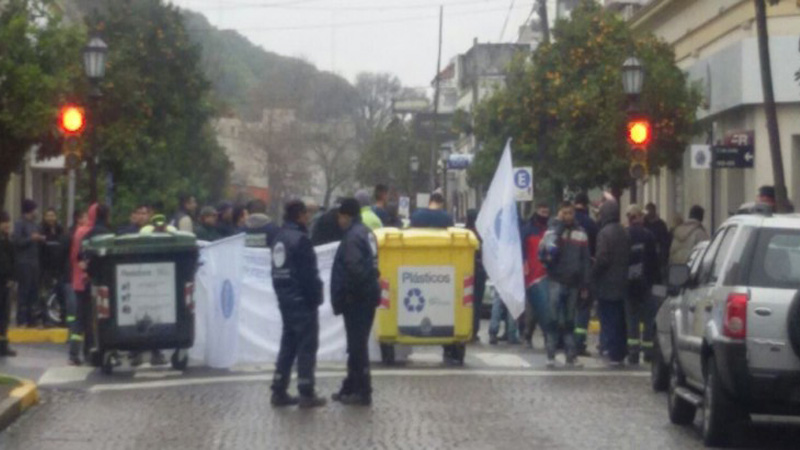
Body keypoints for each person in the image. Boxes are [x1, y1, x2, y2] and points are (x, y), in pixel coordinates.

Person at [270, 200, 326, 408]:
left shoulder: (279, 238)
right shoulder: (301, 240)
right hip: (302, 300)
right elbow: (308, 275)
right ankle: (306, 391)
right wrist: (315, 297)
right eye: (307, 214)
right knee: (306, 346)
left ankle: (278, 388)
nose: (309, 218)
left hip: (285, 298)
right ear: (300, 215)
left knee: (288, 345)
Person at [331, 198, 380, 406]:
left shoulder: (352, 237)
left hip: (358, 298)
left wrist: (349, 294)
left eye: (340, 216)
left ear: (346, 216)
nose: (338, 221)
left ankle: (362, 389)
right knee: (356, 343)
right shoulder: (366, 232)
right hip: (368, 295)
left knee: (357, 345)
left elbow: (354, 269)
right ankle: (351, 385)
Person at [538, 202, 590, 368]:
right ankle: (551, 355)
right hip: (556, 280)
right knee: (553, 320)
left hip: (573, 282)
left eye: (570, 213)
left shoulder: (581, 234)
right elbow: (544, 254)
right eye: (564, 213)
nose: (568, 216)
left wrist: (584, 284)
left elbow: (585, 261)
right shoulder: (552, 232)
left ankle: (570, 356)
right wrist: (558, 230)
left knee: (569, 321)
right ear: (560, 214)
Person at [593, 199, 630, 367]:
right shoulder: (624, 231)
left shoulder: (604, 233)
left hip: (607, 284)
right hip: (623, 282)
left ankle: (613, 351)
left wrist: (594, 272)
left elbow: (602, 258)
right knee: (620, 320)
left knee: (609, 319)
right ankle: (621, 351)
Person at [625, 205, 660, 365]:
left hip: (629, 284)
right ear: (639, 217)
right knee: (648, 318)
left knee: (632, 320)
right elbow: (655, 261)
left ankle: (633, 353)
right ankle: (647, 352)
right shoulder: (649, 235)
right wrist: (656, 281)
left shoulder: (624, 235)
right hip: (647, 283)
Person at [520, 203, 551, 349]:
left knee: (546, 307)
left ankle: (547, 336)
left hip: (547, 273)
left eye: (547, 211)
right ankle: (528, 334)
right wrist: (523, 262)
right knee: (532, 307)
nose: (544, 214)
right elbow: (521, 249)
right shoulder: (528, 229)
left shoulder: (550, 229)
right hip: (531, 274)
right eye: (542, 211)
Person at [572, 193, 598, 356]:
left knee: (568, 307)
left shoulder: (566, 222)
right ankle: (579, 343)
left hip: (567, 272)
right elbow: (595, 249)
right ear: (586, 205)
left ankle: (565, 341)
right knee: (583, 308)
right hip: (585, 272)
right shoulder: (591, 224)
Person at [13, 199, 44, 327]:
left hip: (34, 261)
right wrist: (30, 239)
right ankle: (21, 318)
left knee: (34, 290)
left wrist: (40, 239)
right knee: (24, 290)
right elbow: (18, 241)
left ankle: (32, 318)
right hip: (24, 262)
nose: (37, 212)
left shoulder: (35, 225)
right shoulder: (20, 224)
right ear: (30, 210)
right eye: (35, 209)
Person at [40, 208, 66, 326]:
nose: (50, 218)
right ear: (44, 217)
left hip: (59, 267)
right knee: (45, 294)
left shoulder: (60, 230)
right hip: (45, 267)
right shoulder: (40, 230)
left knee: (60, 293)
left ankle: (61, 318)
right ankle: (45, 319)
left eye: (52, 215)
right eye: (48, 215)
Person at [466, 209, 486, 342]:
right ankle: (473, 331)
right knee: (476, 304)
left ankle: (466, 329)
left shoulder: (464, 234)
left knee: (465, 303)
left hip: (465, 273)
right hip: (478, 272)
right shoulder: (480, 235)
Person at [0, 212, 17, 356]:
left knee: (5, 316)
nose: (7, 225)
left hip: (6, 283)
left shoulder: (8, 240)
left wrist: (12, 277)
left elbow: (12, 261)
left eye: (8, 222)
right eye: (4, 222)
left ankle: (3, 346)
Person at [644, 203, 671, 281]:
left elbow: (665, 243)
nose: (649, 212)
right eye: (648, 210)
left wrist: (663, 258)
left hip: (657, 259)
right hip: (647, 259)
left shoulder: (661, 225)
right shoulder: (644, 224)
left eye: (651, 210)